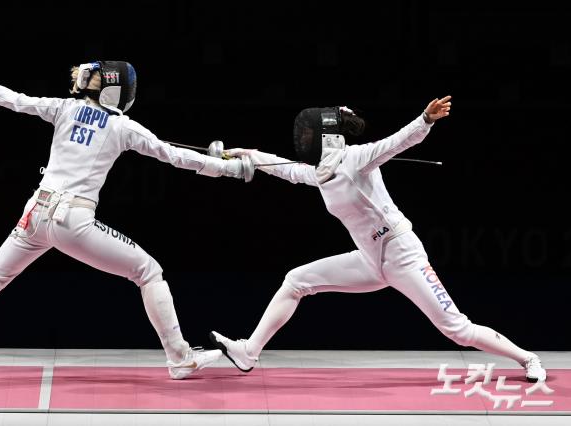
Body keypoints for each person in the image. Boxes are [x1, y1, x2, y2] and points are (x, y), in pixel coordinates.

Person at [0, 52, 250, 380]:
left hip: (35, 215)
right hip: (72, 221)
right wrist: (229, 169)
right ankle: (179, 357)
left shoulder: (65, 108)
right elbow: (173, 155)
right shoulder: (122, 126)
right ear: (118, 92)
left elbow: (13, 99)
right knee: (149, 271)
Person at [210, 96, 547, 382]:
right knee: (296, 281)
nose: (303, 139)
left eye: (309, 133)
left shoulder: (358, 158)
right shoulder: (320, 174)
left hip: (403, 255)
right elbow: (286, 169)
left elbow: (397, 142)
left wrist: (425, 120)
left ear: (326, 137)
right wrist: (247, 154)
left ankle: (527, 358)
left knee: (456, 329)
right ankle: (248, 352)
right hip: (370, 260)